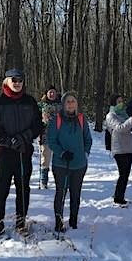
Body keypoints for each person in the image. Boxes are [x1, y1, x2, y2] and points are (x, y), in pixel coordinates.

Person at [0, 68, 42, 235]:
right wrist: (8, 141)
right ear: (7, 82)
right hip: (4, 152)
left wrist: (24, 137)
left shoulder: (30, 101)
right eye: (14, 80)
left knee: (23, 189)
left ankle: (21, 222)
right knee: (2, 188)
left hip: (24, 151)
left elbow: (37, 125)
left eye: (20, 80)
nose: (17, 83)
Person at [47, 92, 92, 231]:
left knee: (76, 193)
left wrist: (84, 154)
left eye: (73, 101)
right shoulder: (57, 119)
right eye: (68, 101)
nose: (71, 104)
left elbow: (87, 139)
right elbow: (51, 140)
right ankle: (58, 221)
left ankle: (73, 220)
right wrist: (61, 152)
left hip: (79, 164)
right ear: (63, 104)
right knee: (61, 192)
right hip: (61, 164)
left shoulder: (81, 119)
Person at [105, 94, 132, 205]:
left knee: (126, 175)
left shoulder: (124, 114)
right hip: (119, 148)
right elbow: (120, 128)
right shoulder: (110, 116)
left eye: (122, 101)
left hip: (128, 148)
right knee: (123, 174)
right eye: (118, 101)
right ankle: (118, 198)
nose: (121, 103)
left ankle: (120, 195)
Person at [37, 86, 61, 189]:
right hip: (45, 135)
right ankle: (43, 181)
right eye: (50, 92)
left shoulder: (61, 105)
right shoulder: (41, 105)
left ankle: (60, 180)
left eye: (53, 92)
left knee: (59, 159)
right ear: (46, 94)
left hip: (59, 136)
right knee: (45, 159)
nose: (52, 94)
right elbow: (36, 119)